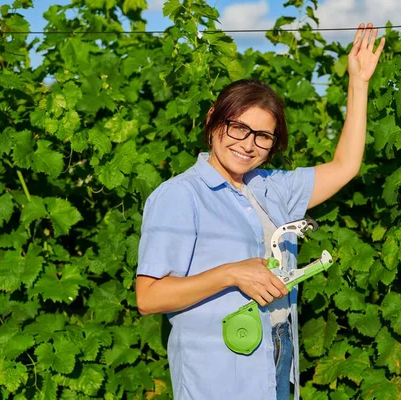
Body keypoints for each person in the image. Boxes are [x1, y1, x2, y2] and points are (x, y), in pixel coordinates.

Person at [136, 23, 385, 400]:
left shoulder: (269, 187)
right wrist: (232, 273)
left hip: (275, 361)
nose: (248, 145)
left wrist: (359, 82)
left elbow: (345, 166)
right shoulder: (180, 196)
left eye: (263, 136)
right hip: (216, 378)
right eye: (238, 128)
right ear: (212, 121)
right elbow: (148, 297)